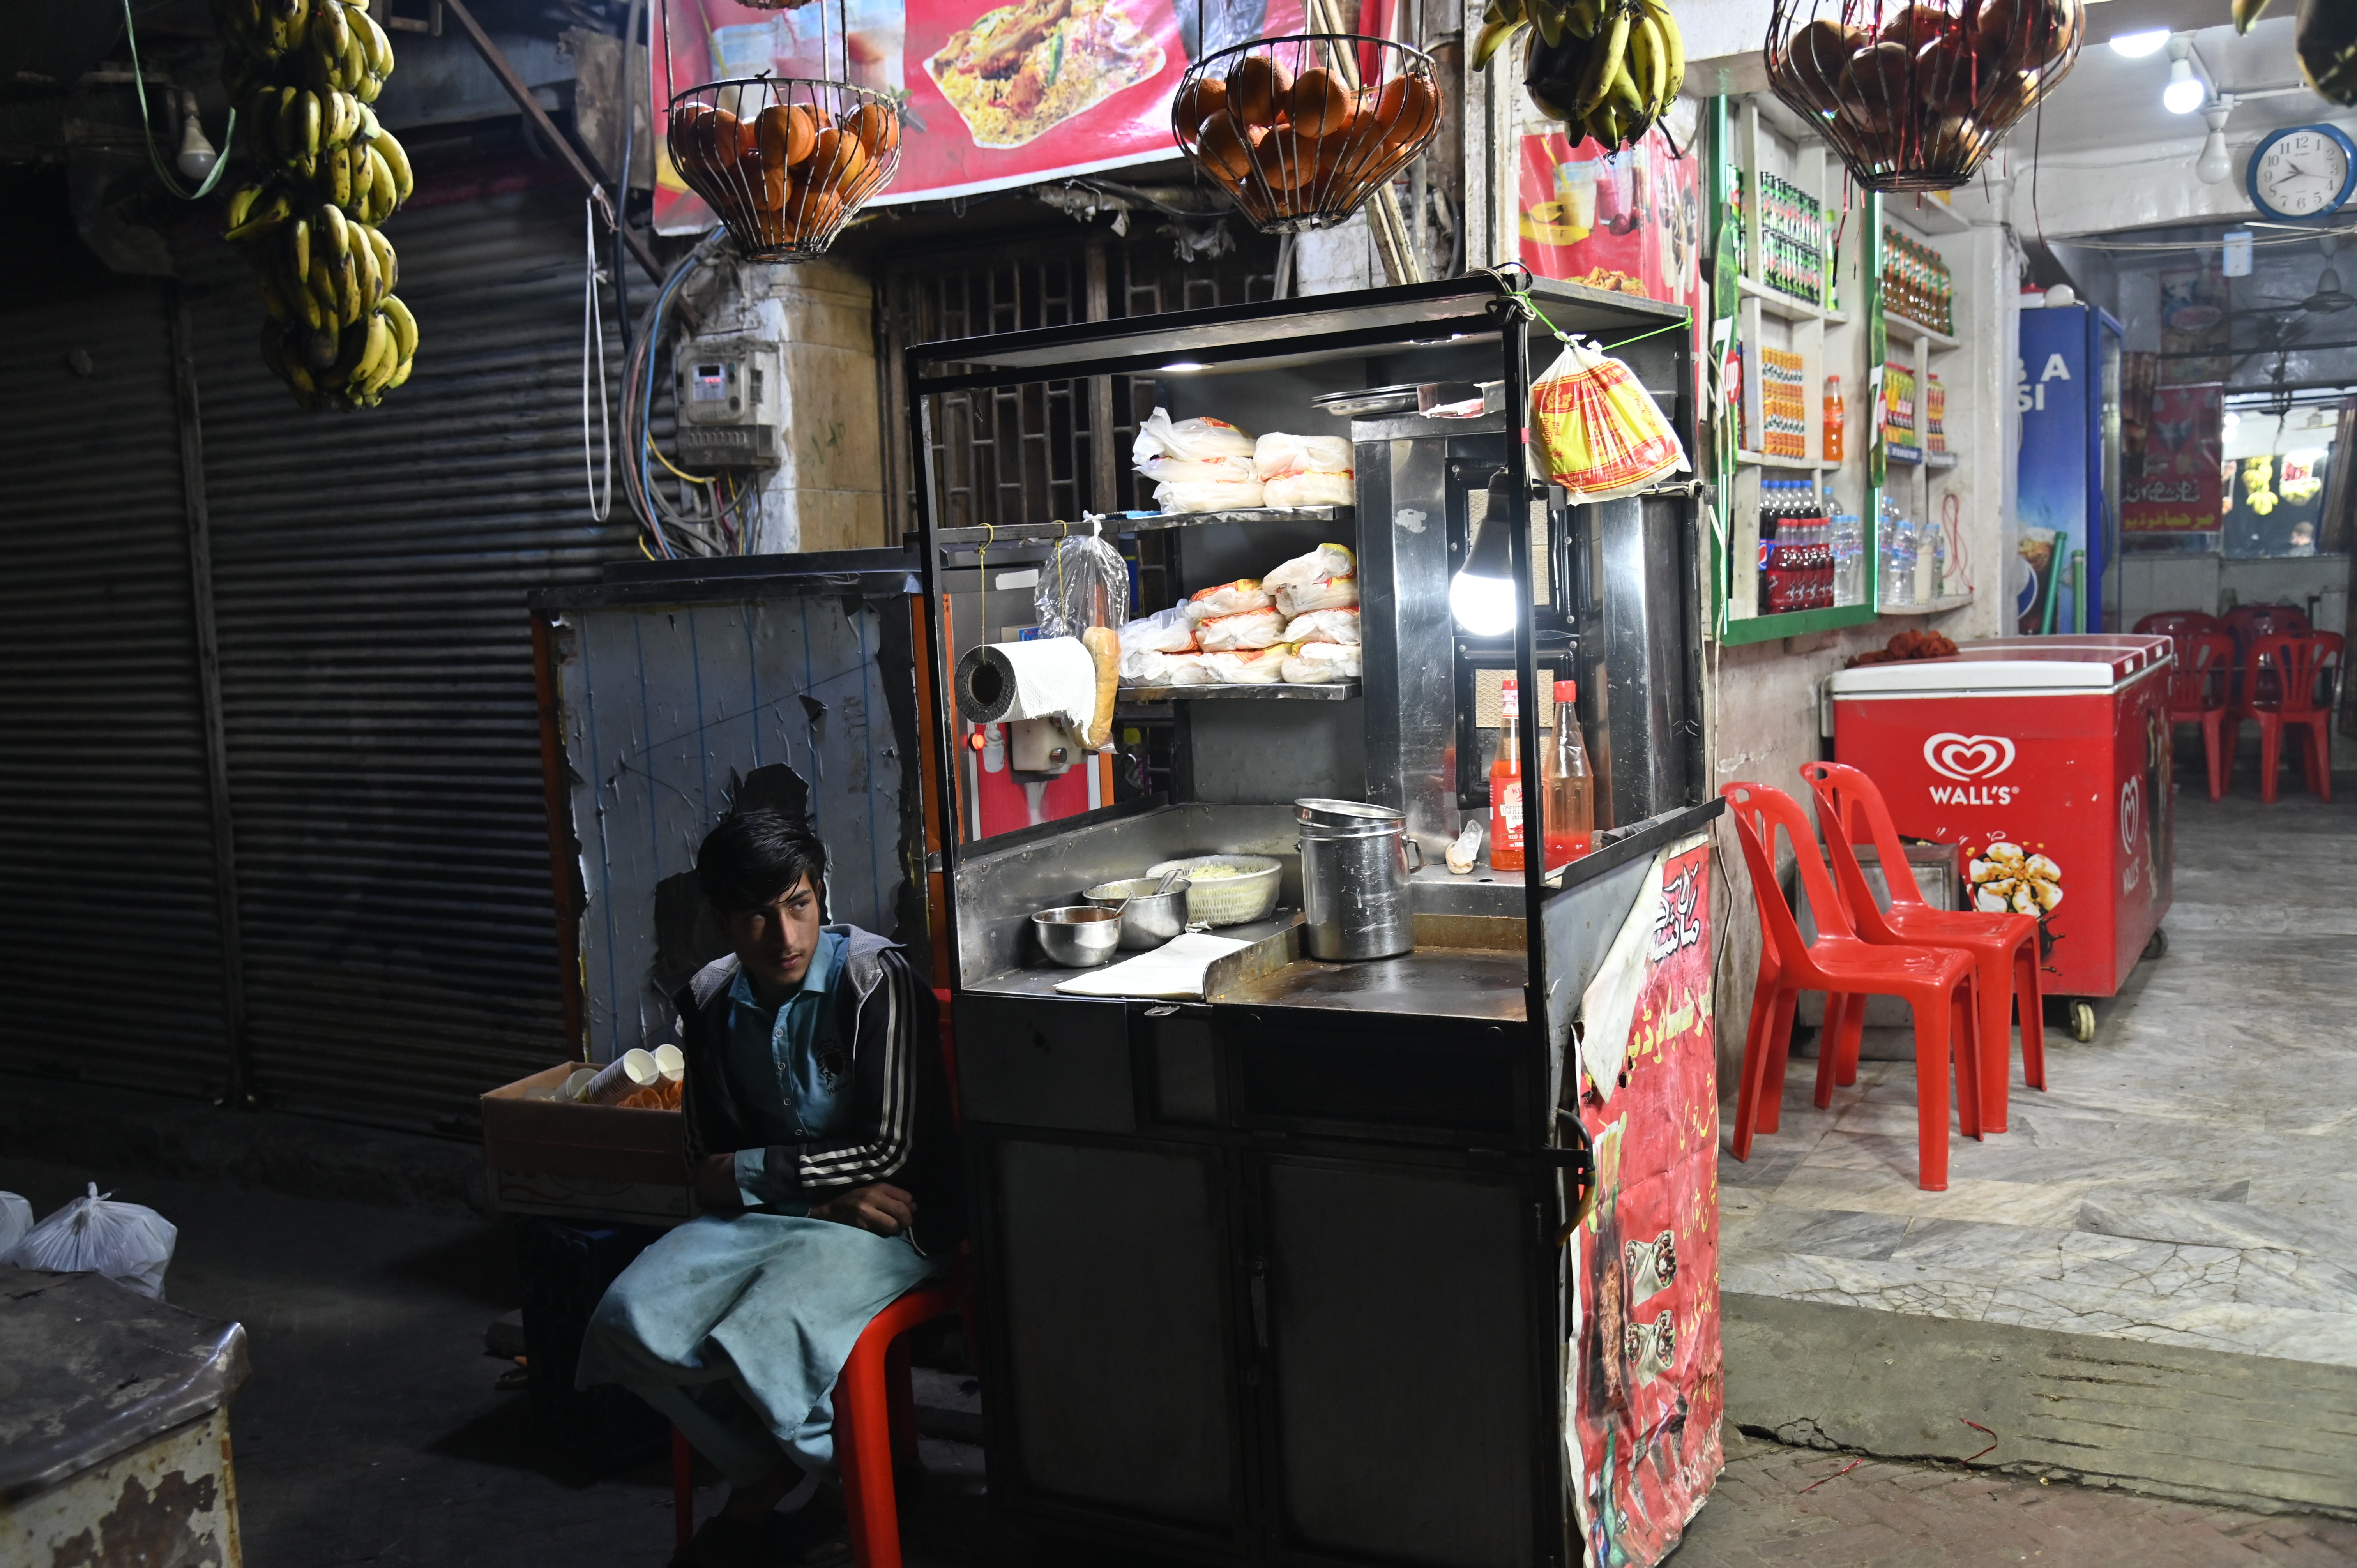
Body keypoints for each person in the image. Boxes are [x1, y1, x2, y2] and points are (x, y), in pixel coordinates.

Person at [578, 810, 963, 1568]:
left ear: (821, 894)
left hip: (894, 1222)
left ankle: (854, 1485)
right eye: (757, 914)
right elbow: (702, 1159)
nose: (784, 936)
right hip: (789, 1216)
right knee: (627, 1319)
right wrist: (816, 1195)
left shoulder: (875, 980)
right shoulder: (711, 999)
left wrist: (756, 1172)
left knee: (764, 1331)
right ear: (723, 919)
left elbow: (891, 1149)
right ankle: (770, 1467)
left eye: (799, 904)